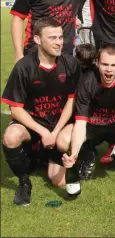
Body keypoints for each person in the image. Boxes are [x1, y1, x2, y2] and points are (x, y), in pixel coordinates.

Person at [1, 17, 80, 206]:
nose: (59, 42)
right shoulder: (24, 67)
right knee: (11, 136)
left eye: (60, 37)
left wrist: (54, 132)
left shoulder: (70, 64)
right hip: (33, 125)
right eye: (52, 38)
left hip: (58, 125)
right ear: (37, 40)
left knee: (58, 181)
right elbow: (16, 109)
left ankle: (48, 157)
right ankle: (24, 183)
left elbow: (71, 101)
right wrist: (43, 132)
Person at [60, 44, 115, 182]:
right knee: (63, 141)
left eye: (114, 65)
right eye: (105, 64)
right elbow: (80, 122)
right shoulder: (87, 81)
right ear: (97, 63)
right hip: (91, 124)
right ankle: (87, 157)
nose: (109, 70)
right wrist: (73, 153)